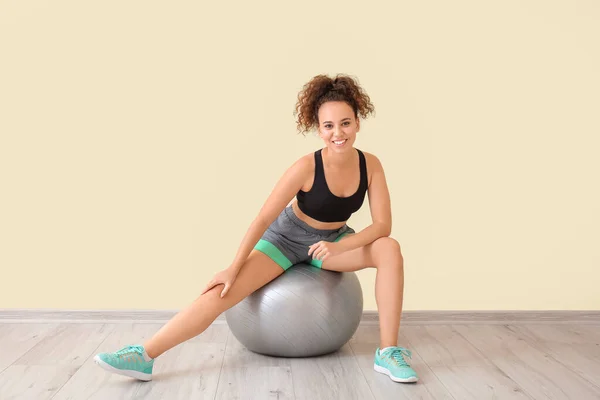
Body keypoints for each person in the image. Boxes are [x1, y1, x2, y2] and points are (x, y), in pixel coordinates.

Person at [93, 73, 418, 384]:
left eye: (345, 123)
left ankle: (388, 352)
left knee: (390, 248)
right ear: (317, 129)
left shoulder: (370, 165)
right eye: (328, 125)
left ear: (358, 122)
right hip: (286, 239)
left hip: (332, 243)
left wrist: (339, 247)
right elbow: (263, 219)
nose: (338, 133)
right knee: (221, 291)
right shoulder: (306, 167)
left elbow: (382, 225)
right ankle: (144, 355)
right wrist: (233, 267)